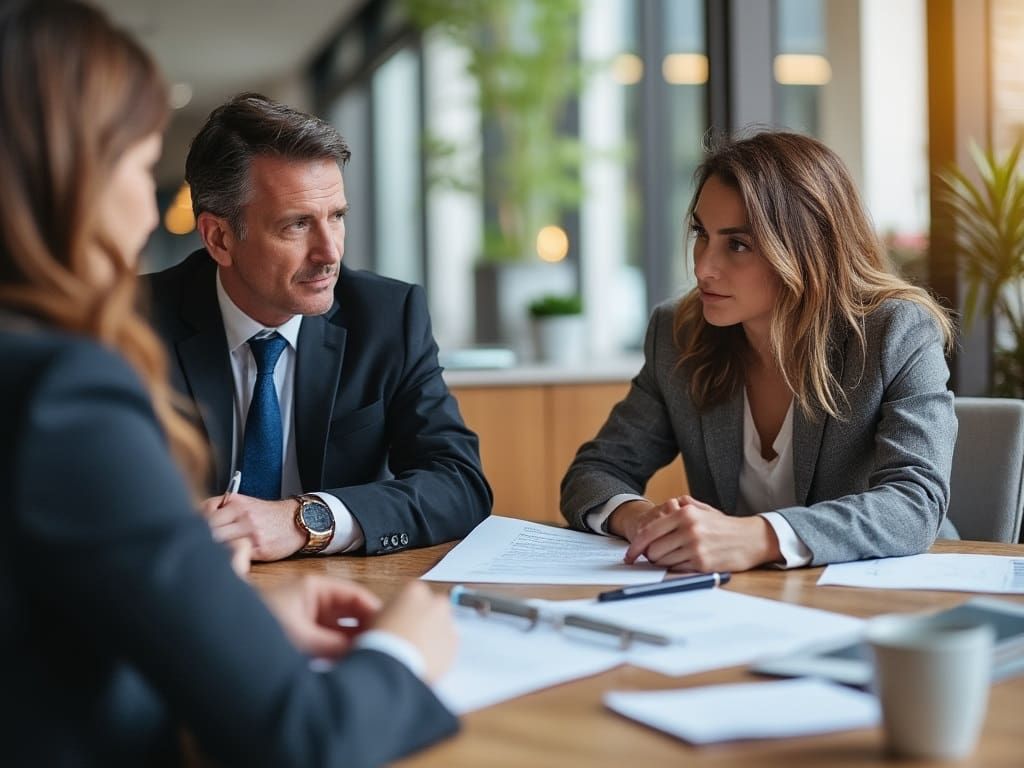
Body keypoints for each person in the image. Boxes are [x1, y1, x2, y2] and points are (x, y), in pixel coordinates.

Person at [0, 2, 459, 764]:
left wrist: (216, 618)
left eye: (337, 217)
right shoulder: (71, 387)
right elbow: (302, 740)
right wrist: (404, 653)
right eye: (138, 168)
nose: (147, 211)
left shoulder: (390, 312)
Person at [561, 130, 959, 572]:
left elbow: (915, 503)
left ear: (808, 249)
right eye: (701, 233)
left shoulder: (895, 332)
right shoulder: (678, 333)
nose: (703, 266)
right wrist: (641, 521)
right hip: (744, 602)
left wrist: (761, 536)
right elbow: (594, 471)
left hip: (891, 592)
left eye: (737, 244)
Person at [143, 93, 491, 564]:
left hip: (341, 595)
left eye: (337, 217)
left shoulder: (387, 316)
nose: (329, 252)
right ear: (219, 238)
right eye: (297, 225)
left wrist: (305, 519)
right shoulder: (133, 322)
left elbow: (459, 483)